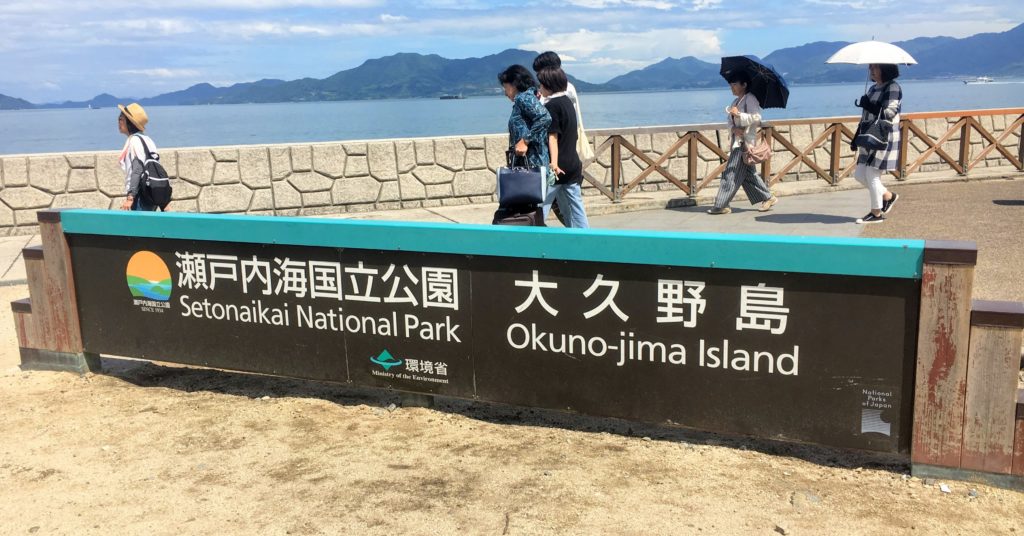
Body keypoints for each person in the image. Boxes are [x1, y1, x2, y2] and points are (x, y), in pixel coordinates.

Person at [708, 72, 778, 214]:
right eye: (731, 84)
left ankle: (721, 205)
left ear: (744, 85)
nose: (731, 87)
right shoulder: (735, 102)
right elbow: (729, 122)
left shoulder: (750, 99)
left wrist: (739, 115)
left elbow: (756, 118)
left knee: (730, 173)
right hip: (738, 142)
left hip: (744, 144)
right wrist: (734, 127)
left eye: (734, 84)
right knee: (748, 175)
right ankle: (768, 197)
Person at [496, 65, 551, 220]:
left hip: (531, 166)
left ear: (514, 84)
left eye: (505, 87)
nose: (505, 92)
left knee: (523, 213)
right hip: (531, 165)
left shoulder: (524, 98)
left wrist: (525, 141)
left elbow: (544, 118)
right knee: (528, 213)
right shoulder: (528, 97)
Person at [537, 67, 589, 228]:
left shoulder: (552, 106)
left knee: (541, 205)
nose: (539, 89)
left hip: (558, 166)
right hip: (573, 163)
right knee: (575, 207)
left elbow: (552, 137)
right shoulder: (567, 102)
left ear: (549, 85)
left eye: (541, 85)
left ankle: (533, 238)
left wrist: (553, 164)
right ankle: (585, 238)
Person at [851, 64, 901, 224]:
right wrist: (856, 136)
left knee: (872, 174)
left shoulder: (892, 87)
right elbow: (865, 116)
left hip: (882, 135)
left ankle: (876, 213)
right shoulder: (872, 88)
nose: (871, 71)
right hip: (868, 135)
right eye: (870, 67)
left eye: (876, 68)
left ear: (885, 69)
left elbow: (890, 111)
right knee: (859, 174)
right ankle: (888, 196)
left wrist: (871, 106)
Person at [117, 102, 162, 211]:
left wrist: (130, 197)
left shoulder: (134, 141)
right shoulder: (148, 140)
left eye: (121, 118)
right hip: (151, 193)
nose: (118, 121)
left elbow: (137, 169)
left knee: (136, 227)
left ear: (129, 123)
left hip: (139, 196)